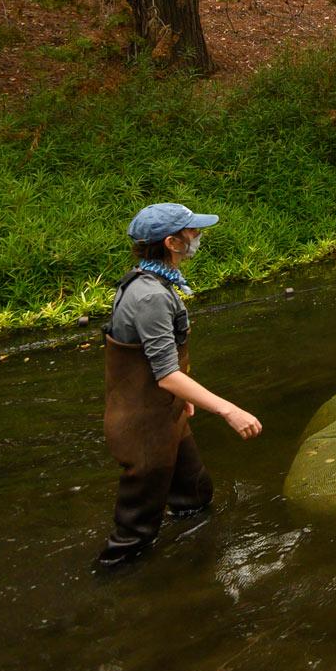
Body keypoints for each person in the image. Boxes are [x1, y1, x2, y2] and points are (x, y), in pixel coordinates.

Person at [96, 202, 262, 568]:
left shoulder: (150, 281)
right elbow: (166, 374)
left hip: (163, 411)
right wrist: (228, 410)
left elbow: (163, 367)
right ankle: (116, 593)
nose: (198, 237)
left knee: (195, 494)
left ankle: (191, 564)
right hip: (143, 428)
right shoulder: (151, 297)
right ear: (172, 243)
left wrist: (180, 397)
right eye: (193, 233)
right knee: (132, 538)